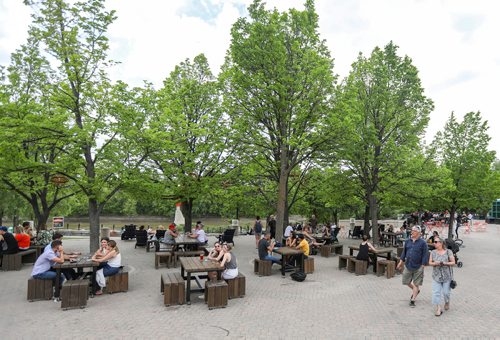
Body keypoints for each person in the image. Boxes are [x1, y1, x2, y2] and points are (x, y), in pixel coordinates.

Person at [397, 225, 429, 307]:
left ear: (418, 233)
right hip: (408, 264)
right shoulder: (408, 241)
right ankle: (416, 290)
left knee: (416, 283)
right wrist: (401, 262)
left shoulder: (423, 243)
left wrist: (423, 266)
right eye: (412, 231)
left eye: (414, 231)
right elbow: (404, 252)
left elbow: (425, 255)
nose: (411, 232)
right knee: (406, 281)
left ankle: (413, 300)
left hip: (418, 266)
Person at [428, 236, 455, 316]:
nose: (434, 243)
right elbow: (430, 263)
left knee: (446, 292)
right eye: (434, 242)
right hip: (436, 276)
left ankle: (447, 301)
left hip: (446, 276)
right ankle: (438, 308)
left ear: (441, 243)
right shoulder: (432, 252)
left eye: (436, 242)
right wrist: (435, 263)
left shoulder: (448, 252)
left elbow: (453, 262)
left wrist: (445, 263)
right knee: (436, 293)